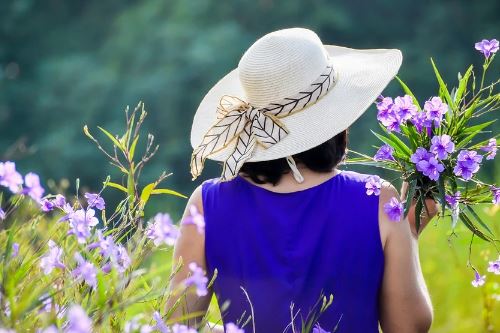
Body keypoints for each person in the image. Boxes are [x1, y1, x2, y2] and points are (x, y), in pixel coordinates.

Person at [167, 28, 435, 332]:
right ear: (337, 120)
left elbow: (176, 326)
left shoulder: (206, 206)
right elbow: (409, 327)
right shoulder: (378, 200)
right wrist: (409, 232)